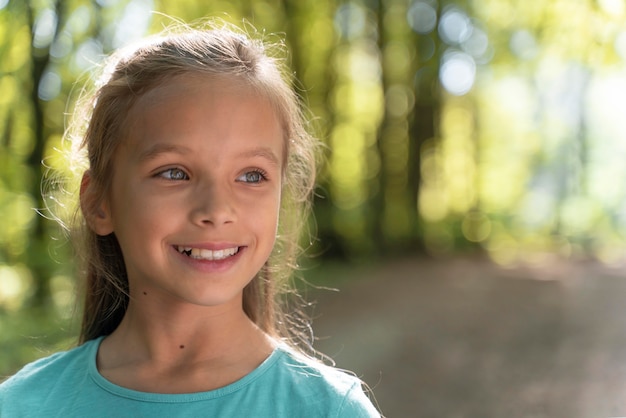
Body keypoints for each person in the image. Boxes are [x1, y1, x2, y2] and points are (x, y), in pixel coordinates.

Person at [0, 21, 380, 417]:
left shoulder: (329, 409)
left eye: (251, 175)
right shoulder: (23, 404)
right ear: (99, 203)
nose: (216, 210)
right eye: (174, 173)